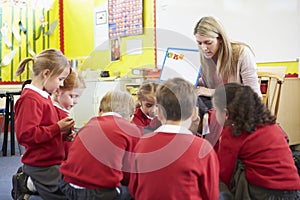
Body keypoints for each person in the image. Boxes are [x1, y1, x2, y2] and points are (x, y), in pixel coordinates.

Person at [129, 77, 219, 200]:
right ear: (194, 113)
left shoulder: (142, 144)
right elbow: (211, 195)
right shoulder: (203, 149)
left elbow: (134, 188)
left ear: (159, 112)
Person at [213, 83, 300, 199]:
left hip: (266, 194)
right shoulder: (271, 125)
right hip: (294, 191)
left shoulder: (233, 133)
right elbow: (286, 139)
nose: (213, 114)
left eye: (214, 110)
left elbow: (224, 174)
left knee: (217, 179)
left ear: (226, 114)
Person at [59, 90, 143, 200]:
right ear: (131, 117)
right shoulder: (131, 130)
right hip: (101, 193)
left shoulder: (90, 124)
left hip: (67, 186)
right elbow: (129, 172)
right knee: (136, 191)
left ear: (99, 110)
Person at [14, 48, 74, 200]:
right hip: (41, 165)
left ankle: (34, 183)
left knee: (76, 183)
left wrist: (63, 133)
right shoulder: (30, 99)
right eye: (60, 79)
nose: (61, 85)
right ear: (46, 74)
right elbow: (26, 136)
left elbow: (46, 127)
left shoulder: (43, 96)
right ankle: (27, 182)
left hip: (52, 161)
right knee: (69, 195)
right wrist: (57, 128)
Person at [193, 16, 262, 144]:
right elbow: (210, 83)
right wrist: (194, 84)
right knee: (189, 100)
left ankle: (207, 147)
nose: (203, 48)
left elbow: (253, 95)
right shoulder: (205, 57)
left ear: (220, 38)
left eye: (208, 42)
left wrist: (211, 91)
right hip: (217, 104)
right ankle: (191, 147)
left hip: (238, 104)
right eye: (199, 43)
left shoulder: (242, 53)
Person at [52, 69, 86, 159]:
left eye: (77, 97)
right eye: (72, 96)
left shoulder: (62, 112)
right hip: (58, 161)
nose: (75, 102)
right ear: (57, 91)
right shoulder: (55, 113)